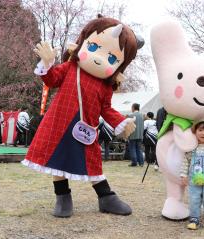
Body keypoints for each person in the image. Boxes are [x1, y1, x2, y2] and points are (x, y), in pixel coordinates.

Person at [21, 15, 141, 218]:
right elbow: (51, 80)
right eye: (93, 47)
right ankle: (62, 197)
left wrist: (121, 122)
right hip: (58, 123)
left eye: (112, 58)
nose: (98, 58)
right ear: (82, 42)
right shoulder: (70, 68)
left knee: (92, 161)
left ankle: (106, 197)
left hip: (86, 128)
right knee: (56, 158)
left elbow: (106, 108)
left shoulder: (105, 86)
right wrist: (47, 62)